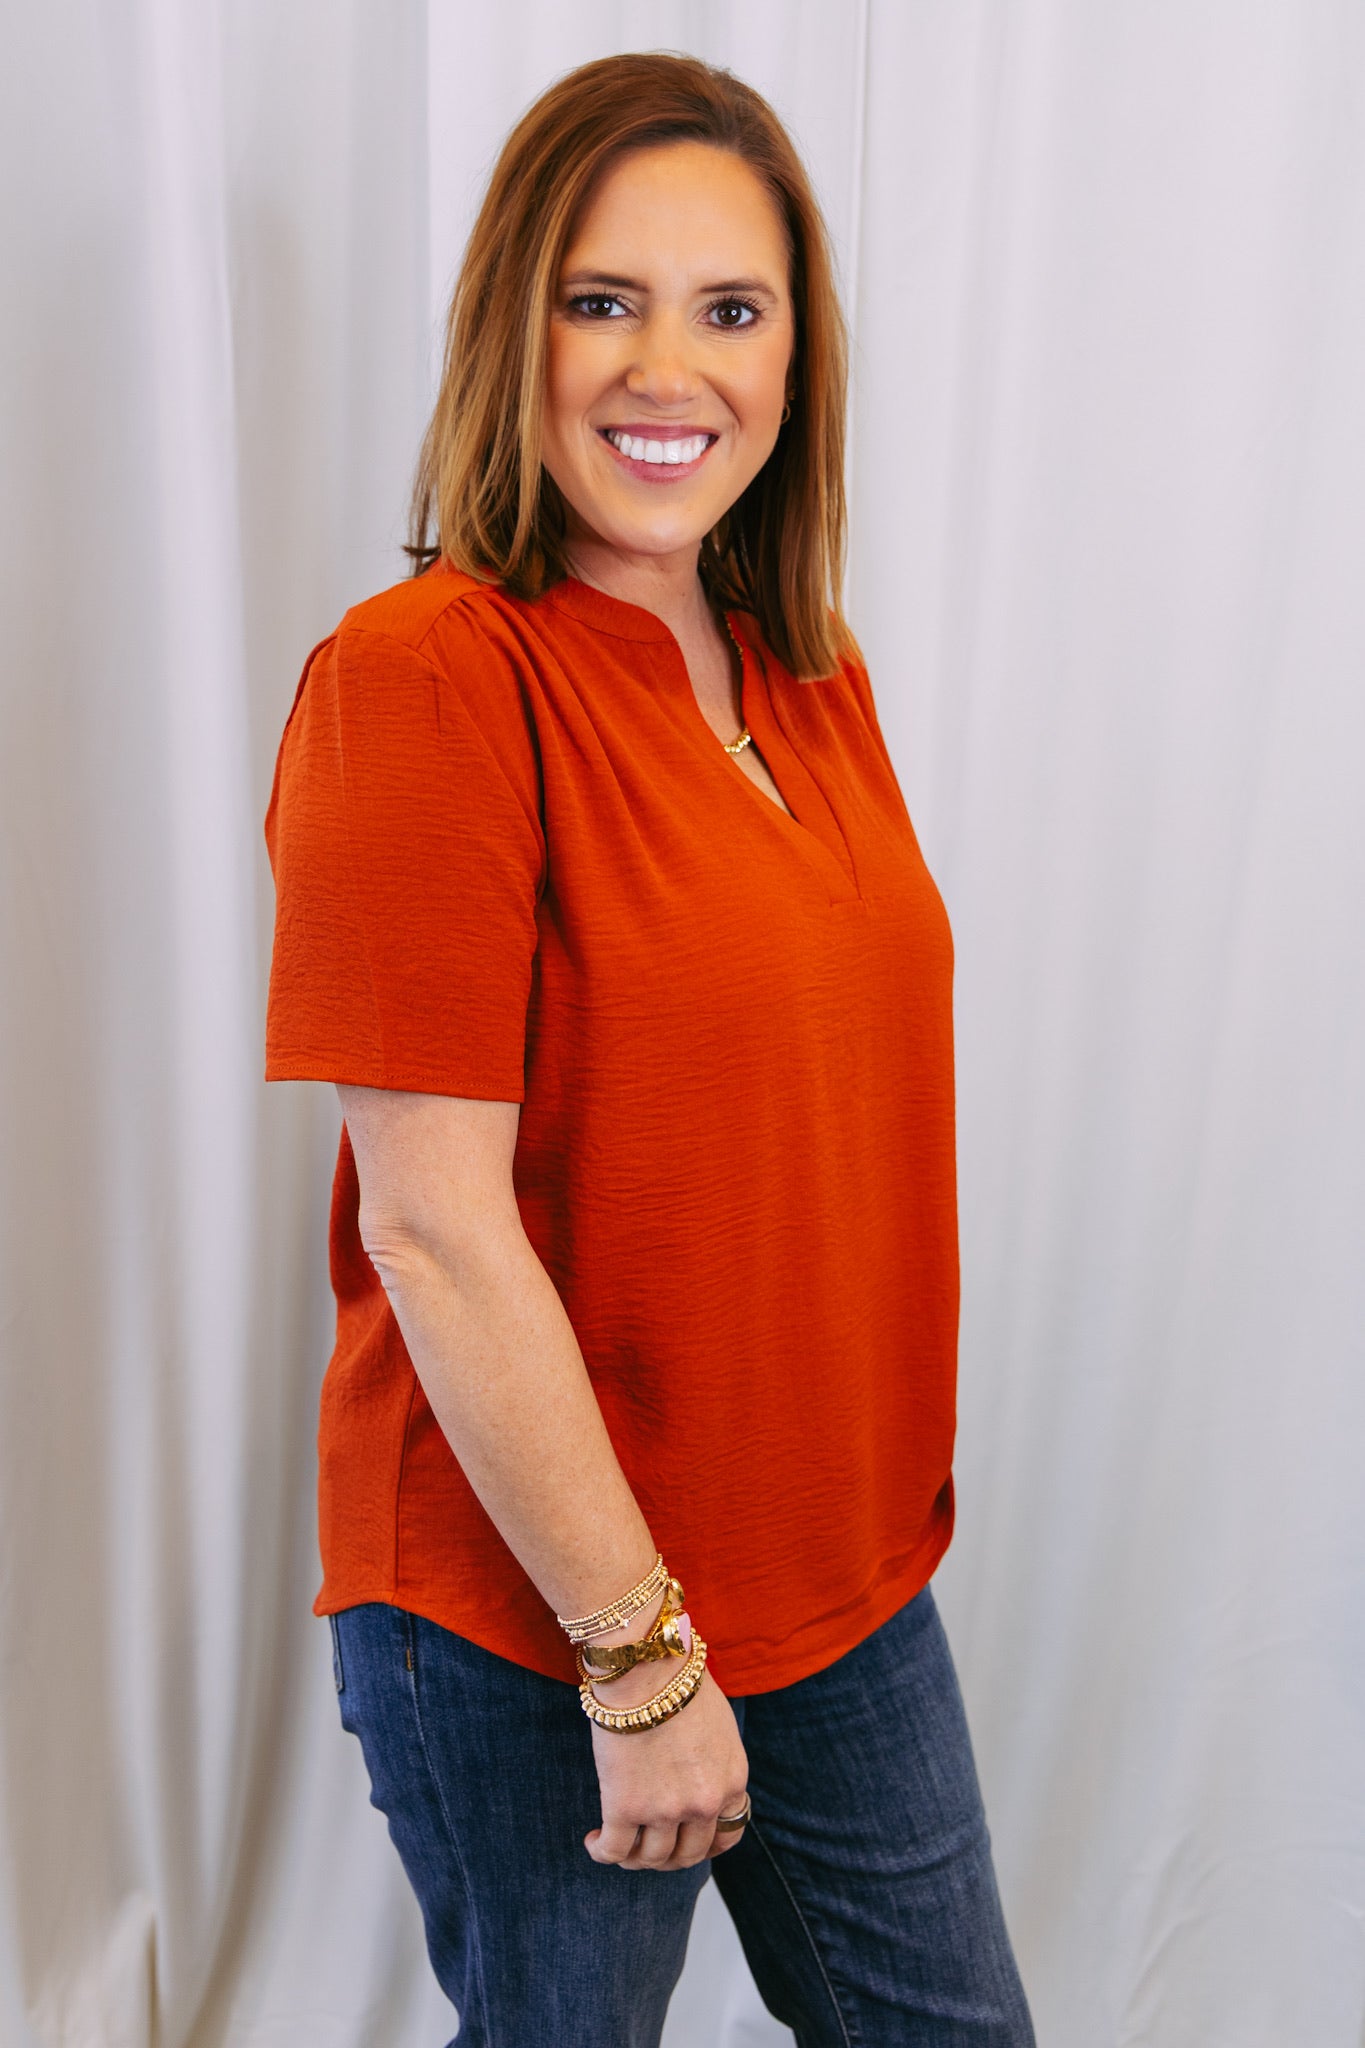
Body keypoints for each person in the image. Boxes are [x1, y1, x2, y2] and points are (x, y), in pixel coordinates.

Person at [264, 49, 1034, 2048]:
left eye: (729, 306)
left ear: (794, 357)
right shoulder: (421, 680)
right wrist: (636, 1658)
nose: (660, 366)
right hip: (542, 1618)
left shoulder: (803, 666)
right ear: (510, 322)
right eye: (599, 299)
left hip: (836, 1581)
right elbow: (431, 1228)